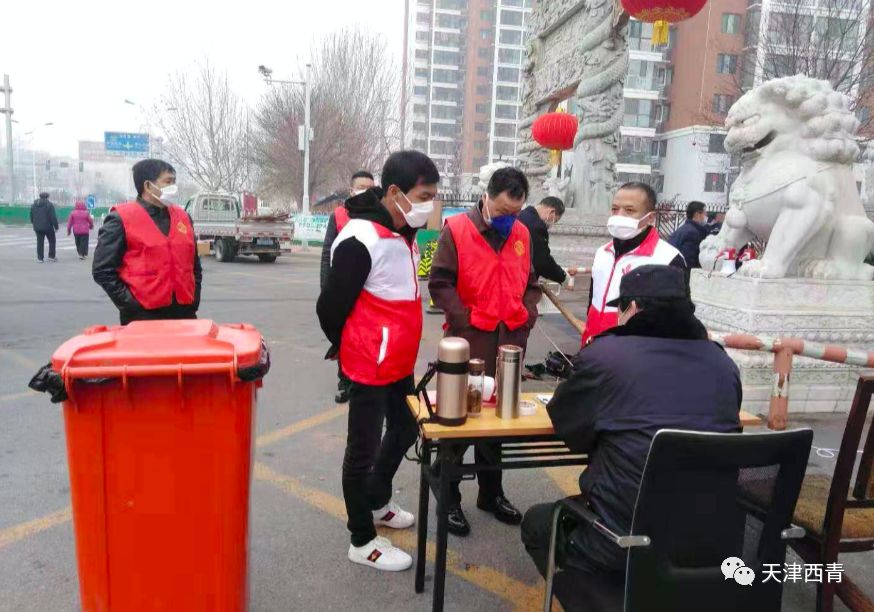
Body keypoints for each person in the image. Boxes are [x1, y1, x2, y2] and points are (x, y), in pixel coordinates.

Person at [521, 264, 741, 579]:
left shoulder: (605, 357)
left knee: (536, 524)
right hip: (705, 542)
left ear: (633, 307)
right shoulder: (723, 364)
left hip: (618, 541)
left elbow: (570, 432)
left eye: (619, 309)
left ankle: (595, 592)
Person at [317, 150, 440, 572]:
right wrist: (352, 345)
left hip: (398, 362)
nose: (429, 205)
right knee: (362, 451)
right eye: (424, 196)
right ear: (394, 193)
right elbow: (330, 307)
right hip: (369, 363)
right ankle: (361, 538)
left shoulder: (403, 232)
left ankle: (377, 499)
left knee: (405, 428)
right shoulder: (361, 238)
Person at [429, 167, 541, 537]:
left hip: (510, 339)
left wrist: (526, 316)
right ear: (487, 198)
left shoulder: (522, 233)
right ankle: (448, 494)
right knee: (461, 419)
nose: (511, 219)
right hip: (470, 339)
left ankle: (491, 493)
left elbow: (531, 282)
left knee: (499, 420)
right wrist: (463, 318)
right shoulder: (457, 229)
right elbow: (440, 282)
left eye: (517, 212)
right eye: (504, 211)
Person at [93, 159, 202, 325]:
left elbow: (194, 266)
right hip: (143, 316)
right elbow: (102, 270)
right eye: (168, 182)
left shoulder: (183, 217)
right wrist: (132, 306)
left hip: (184, 313)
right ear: (148, 186)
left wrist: (194, 300)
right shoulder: (121, 219)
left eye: (174, 181)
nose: (174, 187)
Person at [581, 182, 685, 346]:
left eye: (629, 210)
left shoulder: (668, 258)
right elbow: (593, 299)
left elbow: (676, 318)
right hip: (592, 343)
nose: (619, 215)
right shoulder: (603, 252)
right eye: (615, 209)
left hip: (634, 350)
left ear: (650, 218)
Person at [320, 170, 376, 404]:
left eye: (370, 188)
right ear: (352, 190)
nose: (365, 192)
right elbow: (327, 253)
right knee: (343, 336)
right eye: (361, 187)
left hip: (368, 288)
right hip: (343, 285)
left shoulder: (378, 216)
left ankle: (363, 380)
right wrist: (326, 287)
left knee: (364, 337)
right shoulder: (339, 215)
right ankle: (344, 382)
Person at [518, 196, 578, 285]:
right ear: (552, 212)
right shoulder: (537, 226)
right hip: (520, 278)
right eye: (555, 220)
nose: (551, 225)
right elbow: (542, 260)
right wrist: (563, 277)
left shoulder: (522, 215)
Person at [667, 201, 709, 269]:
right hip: (680, 272)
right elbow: (689, 261)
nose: (706, 217)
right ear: (697, 214)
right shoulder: (692, 233)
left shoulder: (683, 229)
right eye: (705, 214)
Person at [30, 192, 59, 263]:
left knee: (40, 242)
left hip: (38, 227)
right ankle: (51, 256)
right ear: (47, 197)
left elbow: (31, 215)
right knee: (52, 241)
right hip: (48, 227)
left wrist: (34, 223)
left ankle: (40, 258)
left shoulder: (34, 205)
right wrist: (56, 227)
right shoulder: (49, 205)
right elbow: (53, 217)